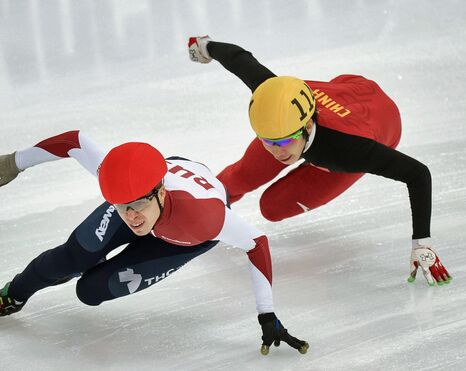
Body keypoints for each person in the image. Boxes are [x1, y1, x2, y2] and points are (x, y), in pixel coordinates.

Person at [0, 130, 308, 355]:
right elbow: (74, 142)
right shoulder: (125, 190)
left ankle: (87, 264)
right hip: (154, 189)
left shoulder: (206, 219)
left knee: (90, 291)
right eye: (122, 207)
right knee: (72, 257)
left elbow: (256, 242)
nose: (131, 216)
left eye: (138, 204)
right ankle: (10, 296)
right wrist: (16, 161)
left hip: (180, 237)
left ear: (159, 190)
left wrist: (267, 313)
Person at [188, 36, 451, 286]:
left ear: (306, 125)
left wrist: (422, 242)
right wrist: (204, 45)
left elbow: (418, 174)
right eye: (267, 141)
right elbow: (238, 58)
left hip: (373, 123)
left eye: (283, 142)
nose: (276, 151)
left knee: (273, 207)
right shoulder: (275, 100)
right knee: (239, 177)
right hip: (338, 95)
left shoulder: (350, 151)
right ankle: (200, 208)